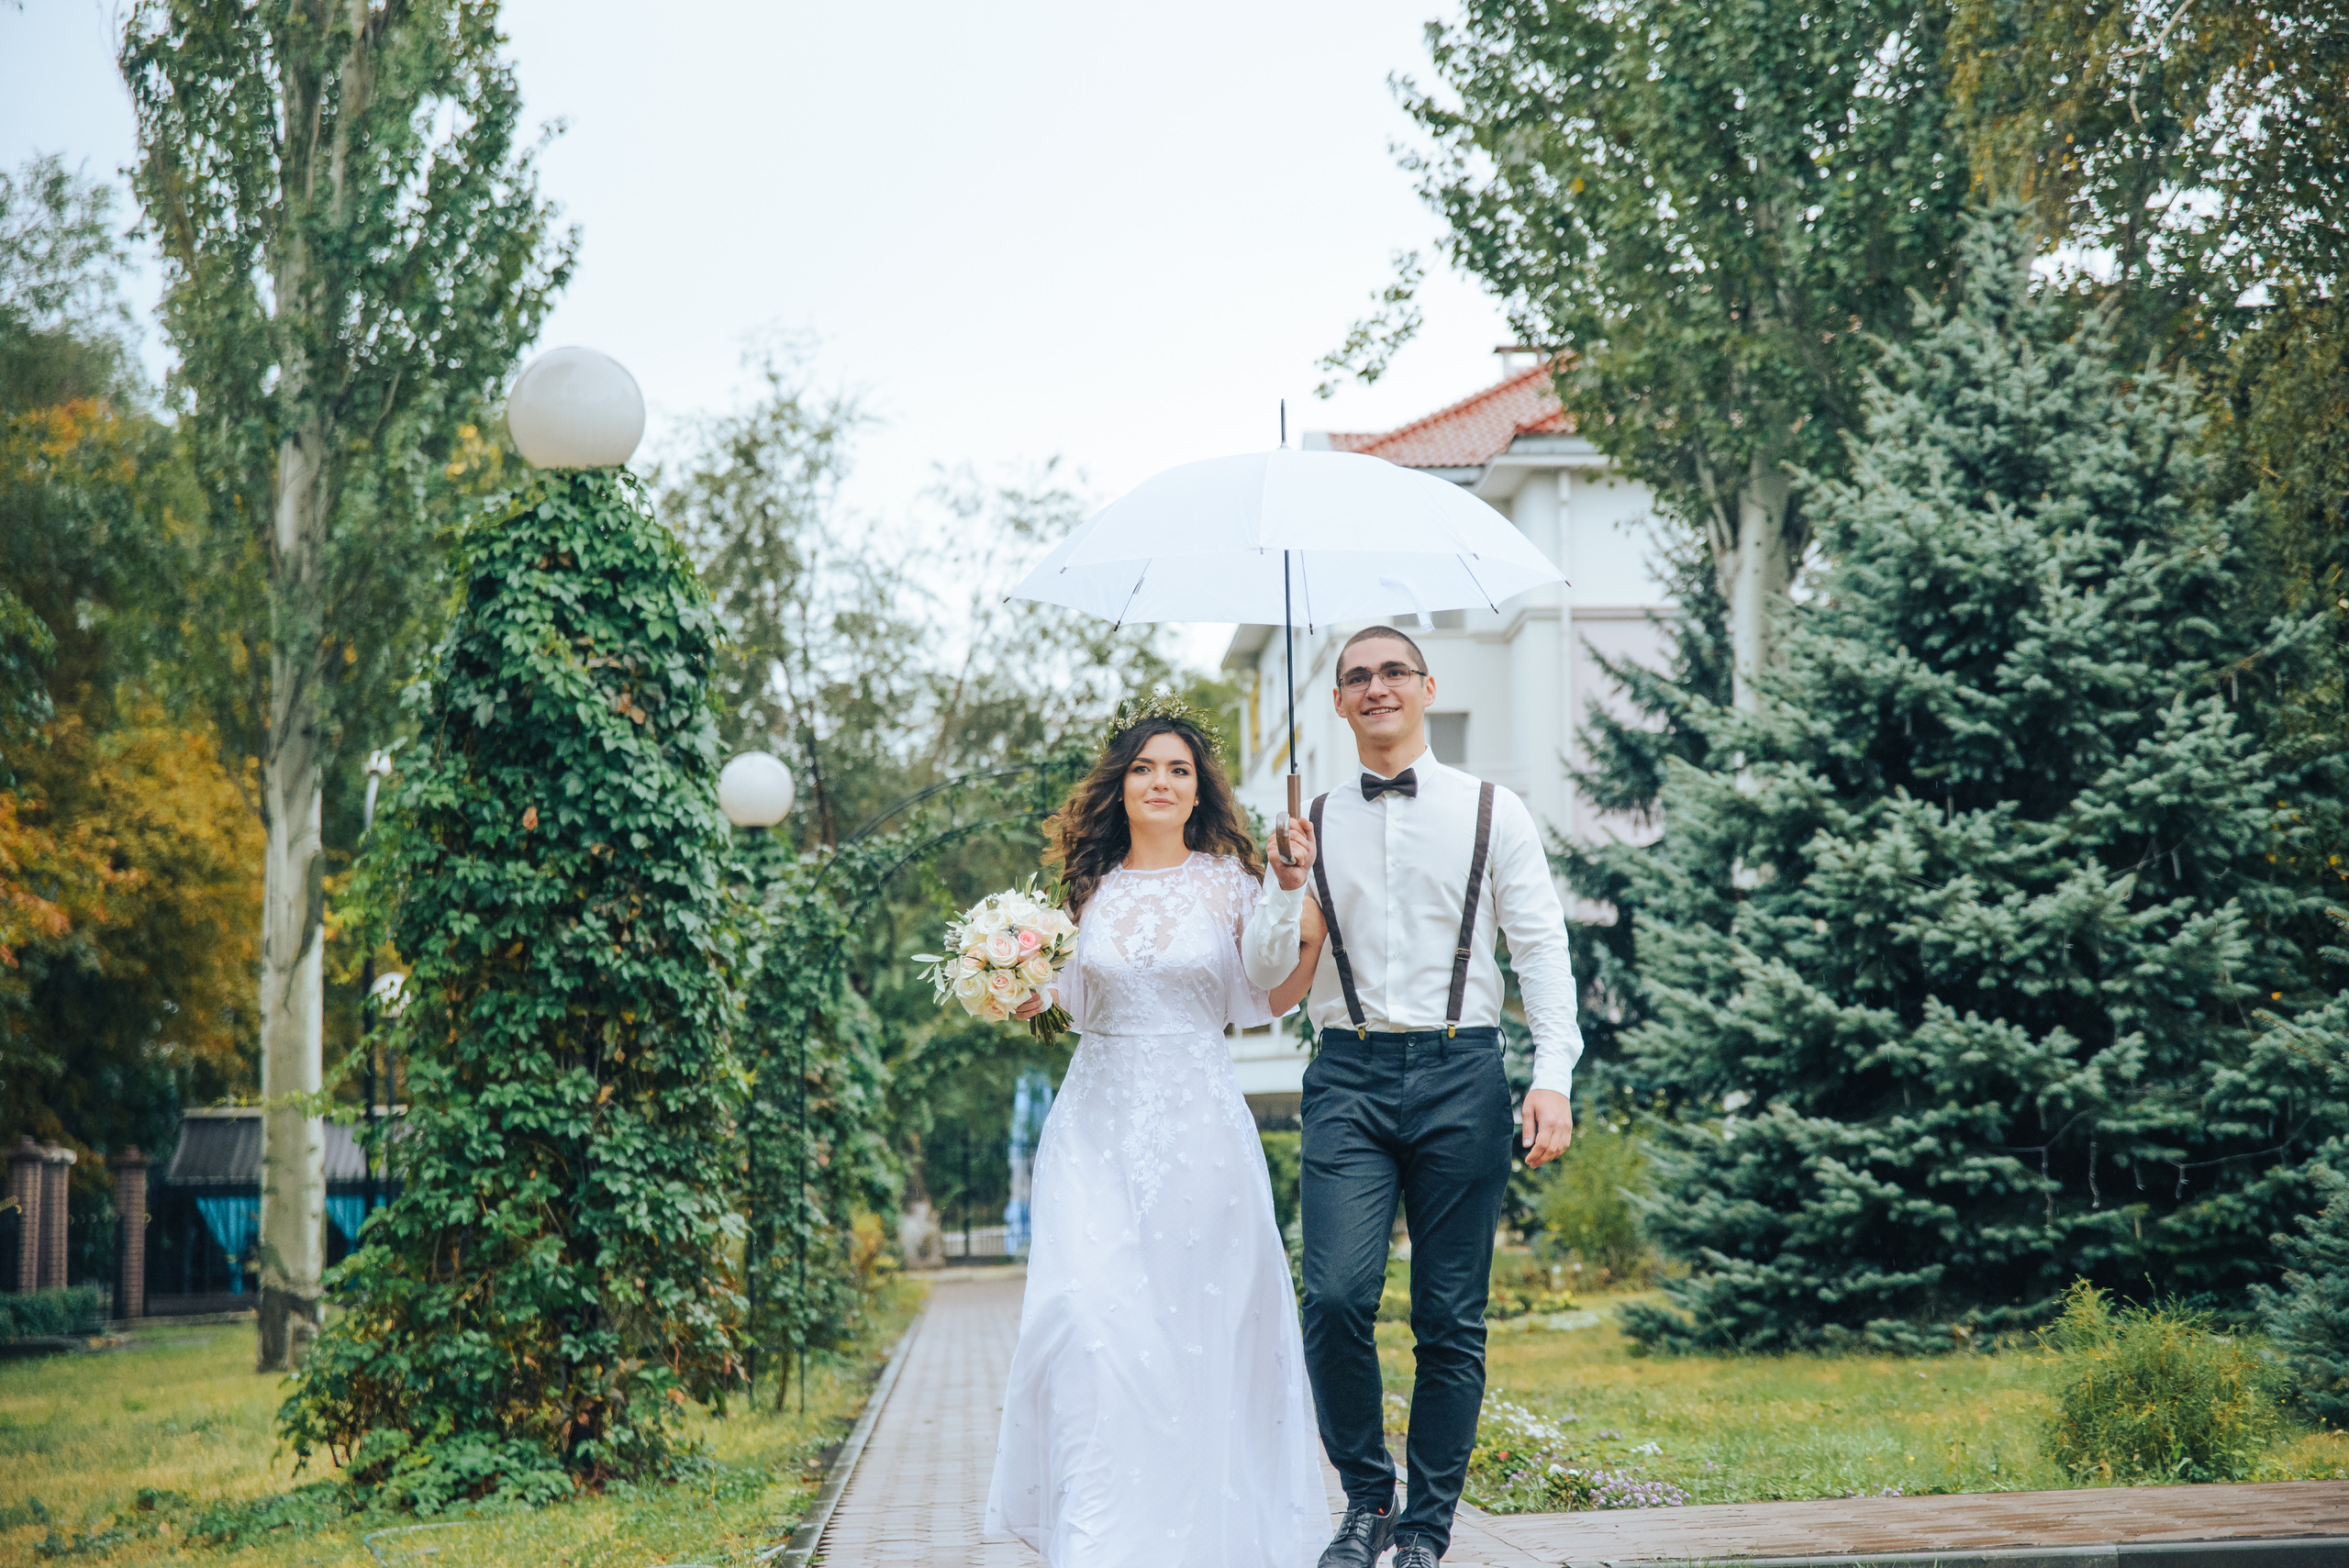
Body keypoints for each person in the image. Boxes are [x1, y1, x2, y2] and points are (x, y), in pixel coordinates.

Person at [1241, 626, 1582, 1568]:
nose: (1376, 687)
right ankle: (1363, 1498)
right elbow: (1266, 978)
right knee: (1336, 1295)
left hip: (1461, 1069)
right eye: (1357, 677)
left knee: (1448, 1314)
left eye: (1393, 671)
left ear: (1427, 687)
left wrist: (1551, 1073)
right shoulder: (1305, 824)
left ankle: (1425, 1528)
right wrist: (1283, 886)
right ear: (1340, 703)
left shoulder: (1491, 810)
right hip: (1345, 1069)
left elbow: (1540, 948)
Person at [985, 694, 1329, 1568]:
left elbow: (1266, 994)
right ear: (1120, 785)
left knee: (1197, 1335)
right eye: (1145, 767)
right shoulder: (1087, 890)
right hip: (1093, 1129)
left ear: (1199, 787)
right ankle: (1099, 1540)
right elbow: (1063, 1000)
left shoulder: (1227, 882)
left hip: (1200, 1131)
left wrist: (1297, 911)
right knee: (1086, 1320)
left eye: (1178, 768)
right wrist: (1014, 983)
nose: (1162, 781)